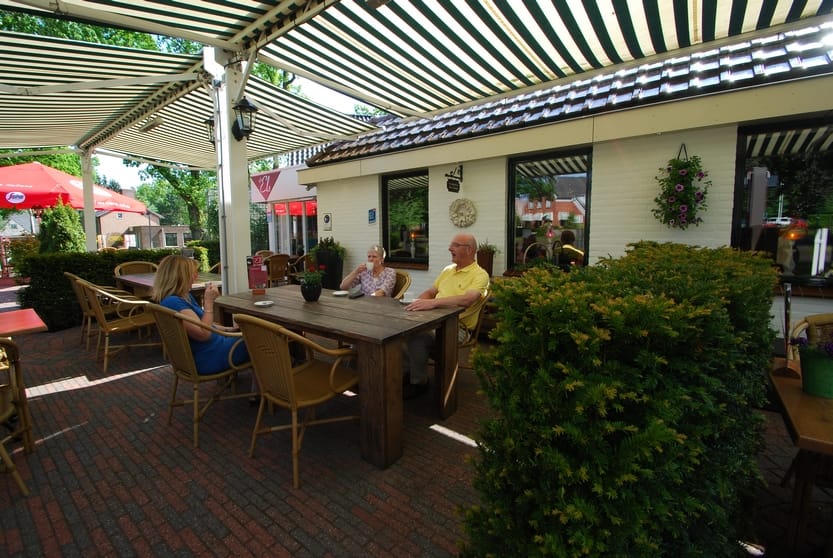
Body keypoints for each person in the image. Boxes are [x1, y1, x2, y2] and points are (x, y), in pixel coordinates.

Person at [401, 233, 490, 399]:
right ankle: (408, 372)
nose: (450, 248)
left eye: (455, 245)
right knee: (398, 329)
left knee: (416, 336)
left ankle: (419, 382)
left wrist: (433, 303)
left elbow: (467, 300)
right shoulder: (448, 270)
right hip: (433, 320)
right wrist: (418, 303)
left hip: (457, 328)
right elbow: (431, 292)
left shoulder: (480, 275)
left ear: (469, 250)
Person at [152, 254, 250, 375]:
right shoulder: (173, 303)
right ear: (181, 276)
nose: (196, 277)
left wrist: (228, 329)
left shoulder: (183, 297)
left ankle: (259, 381)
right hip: (210, 356)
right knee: (260, 341)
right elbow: (204, 334)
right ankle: (264, 383)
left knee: (256, 337)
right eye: (192, 273)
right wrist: (208, 302)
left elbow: (200, 323)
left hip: (215, 347)